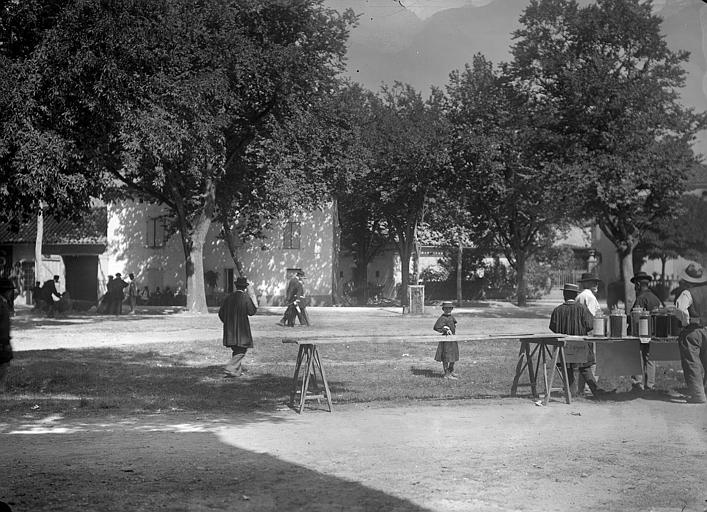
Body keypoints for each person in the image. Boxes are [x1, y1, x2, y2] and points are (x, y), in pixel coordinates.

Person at [549, 283, 613, 398]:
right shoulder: (583, 309)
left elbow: (552, 327)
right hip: (580, 345)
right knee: (585, 368)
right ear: (575, 295)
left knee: (567, 367)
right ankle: (596, 391)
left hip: (564, 347)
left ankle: (572, 392)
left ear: (564, 295)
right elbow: (590, 325)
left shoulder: (557, 310)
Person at [673, 263, 707, 404]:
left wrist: (686, 322)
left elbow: (680, 309)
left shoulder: (687, 293)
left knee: (692, 363)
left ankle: (698, 395)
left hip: (694, 331)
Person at [629, 271, 664, 391]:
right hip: (654, 333)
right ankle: (650, 385)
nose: (635, 288)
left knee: (636, 357)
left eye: (635, 285)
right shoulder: (655, 298)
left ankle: (637, 384)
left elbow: (635, 318)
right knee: (650, 358)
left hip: (641, 333)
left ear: (638, 284)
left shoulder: (640, 298)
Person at [218, 276, 257, 378]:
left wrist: (227, 323)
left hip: (230, 330)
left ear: (236, 286)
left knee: (236, 350)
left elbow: (221, 313)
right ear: (245, 288)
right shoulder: (245, 297)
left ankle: (236, 372)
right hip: (242, 330)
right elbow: (252, 312)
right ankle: (230, 368)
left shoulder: (228, 297)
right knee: (242, 350)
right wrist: (253, 299)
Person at [575, 272, 602, 394]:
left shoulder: (579, 296)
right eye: (593, 282)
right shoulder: (589, 297)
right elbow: (590, 318)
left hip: (581, 331)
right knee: (592, 361)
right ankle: (588, 388)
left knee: (583, 361)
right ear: (586, 283)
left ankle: (581, 389)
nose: (596, 284)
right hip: (590, 332)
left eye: (596, 282)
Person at [433, 301, 459, 379]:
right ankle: (446, 374)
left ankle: (451, 371)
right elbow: (436, 327)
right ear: (443, 309)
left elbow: (454, 325)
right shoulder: (442, 318)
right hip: (446, 340)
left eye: (450, 308)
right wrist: (445, 329)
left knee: (453, 356)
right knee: (446, 356)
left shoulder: (451, 317)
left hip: (453, 339)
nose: (448, 310)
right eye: (446, 308)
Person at [0, 278, 14, 393]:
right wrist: (5, 343)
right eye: (10, 291)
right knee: (4, 362)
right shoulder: (2, 305)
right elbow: (4, 326)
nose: (11, 293)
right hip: (1, 341)